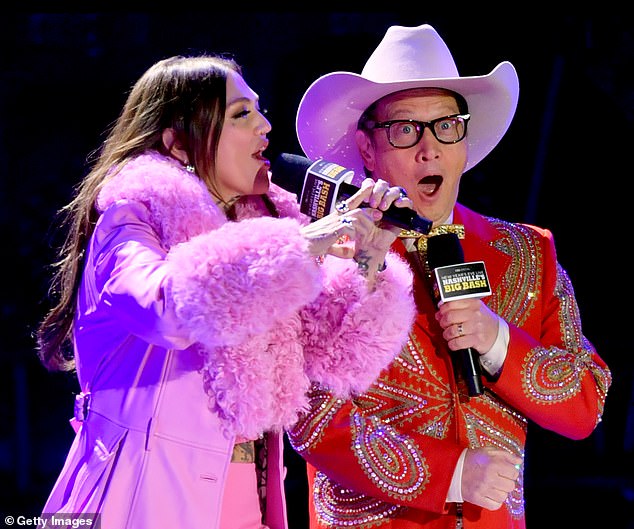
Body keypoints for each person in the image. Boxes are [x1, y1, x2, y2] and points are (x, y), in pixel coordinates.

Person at [34, 54, 419, 529]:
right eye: (241, 114)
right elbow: (167, 308)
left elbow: (336, 352)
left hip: (248, 499)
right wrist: (303, 243)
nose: (265, 125)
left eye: (259, 111)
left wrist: (370, 253)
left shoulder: (265, 228)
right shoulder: (129, 220)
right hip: (141, 494)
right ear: (178, 143)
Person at [287, 24, 612, 529]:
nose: (429, 148)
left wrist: (497, 339)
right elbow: (312, 419)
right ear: (368, 149)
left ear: (463, 141)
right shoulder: (326, 254)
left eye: (446, 126)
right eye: (404, 129)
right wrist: (453, 473)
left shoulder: (526, 253)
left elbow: (586, 402)